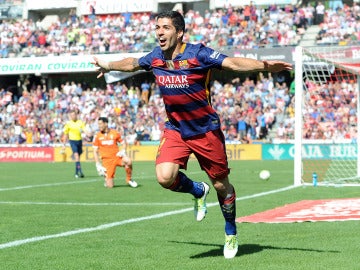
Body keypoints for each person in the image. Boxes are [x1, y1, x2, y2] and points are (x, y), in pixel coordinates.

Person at [92, 10, 292, 259]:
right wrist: (108, 65)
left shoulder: (199, 53)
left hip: (205, 130)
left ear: (179, 32)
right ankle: (198, 191)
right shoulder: (155, 57)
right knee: (165, 177)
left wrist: (266, 66)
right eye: (157, 28)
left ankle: (230, 232)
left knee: (221, 185)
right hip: (176, 128)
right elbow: (132, 63)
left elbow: (232, 63)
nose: (160, 32)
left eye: (165, 28)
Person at [93, 117, 138, 188]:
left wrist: (123, 150)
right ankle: (106, 177)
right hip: (107, 161)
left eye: (100, 123)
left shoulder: (115, 133)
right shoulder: (98, 136)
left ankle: (129, 179)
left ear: (106, 124)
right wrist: (97, 164)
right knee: (110, 186)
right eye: (98, 124)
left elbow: (123, 143)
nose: (99, 126)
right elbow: (95, 151)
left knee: (128, 161)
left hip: (117, 157)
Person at [62, 109, 86, 178]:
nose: (73, 116)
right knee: (76, 156)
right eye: (71, 115)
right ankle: (80, 171)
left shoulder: (80, 122)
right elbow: (66, 134)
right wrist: (64, 144)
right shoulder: (68, 124)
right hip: (72, 141)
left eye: (74, 115)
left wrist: (88, 133)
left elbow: (84, 129)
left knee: (78, 157)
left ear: (76, 115)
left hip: (79, 141)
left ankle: (76, 172)